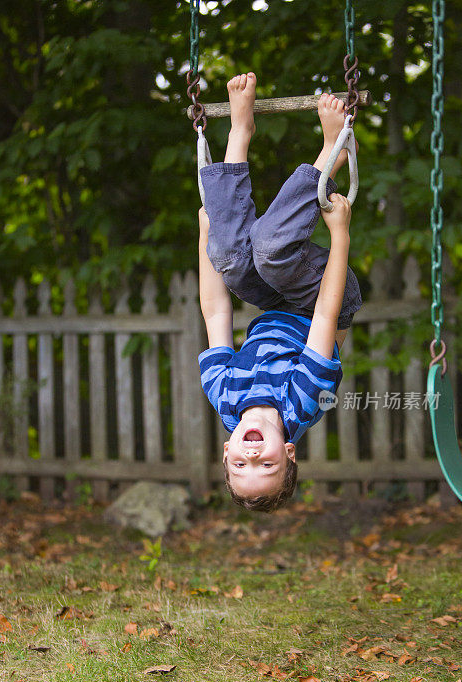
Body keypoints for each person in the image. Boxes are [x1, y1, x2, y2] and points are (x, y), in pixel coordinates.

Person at [198, 72, 362, 512]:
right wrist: (340, 235)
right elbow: (326, 318)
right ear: (289, 453)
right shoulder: (302, 399)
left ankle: (239, 130)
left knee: (229, 256)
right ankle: (330, 154)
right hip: (323, 302)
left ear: (227, 452)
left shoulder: (224, 393)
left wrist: (205, 236)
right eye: (266, 467)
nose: (253, 458)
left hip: (275, 302)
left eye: (240, 467)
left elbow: (215, 313)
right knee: (270, 249)